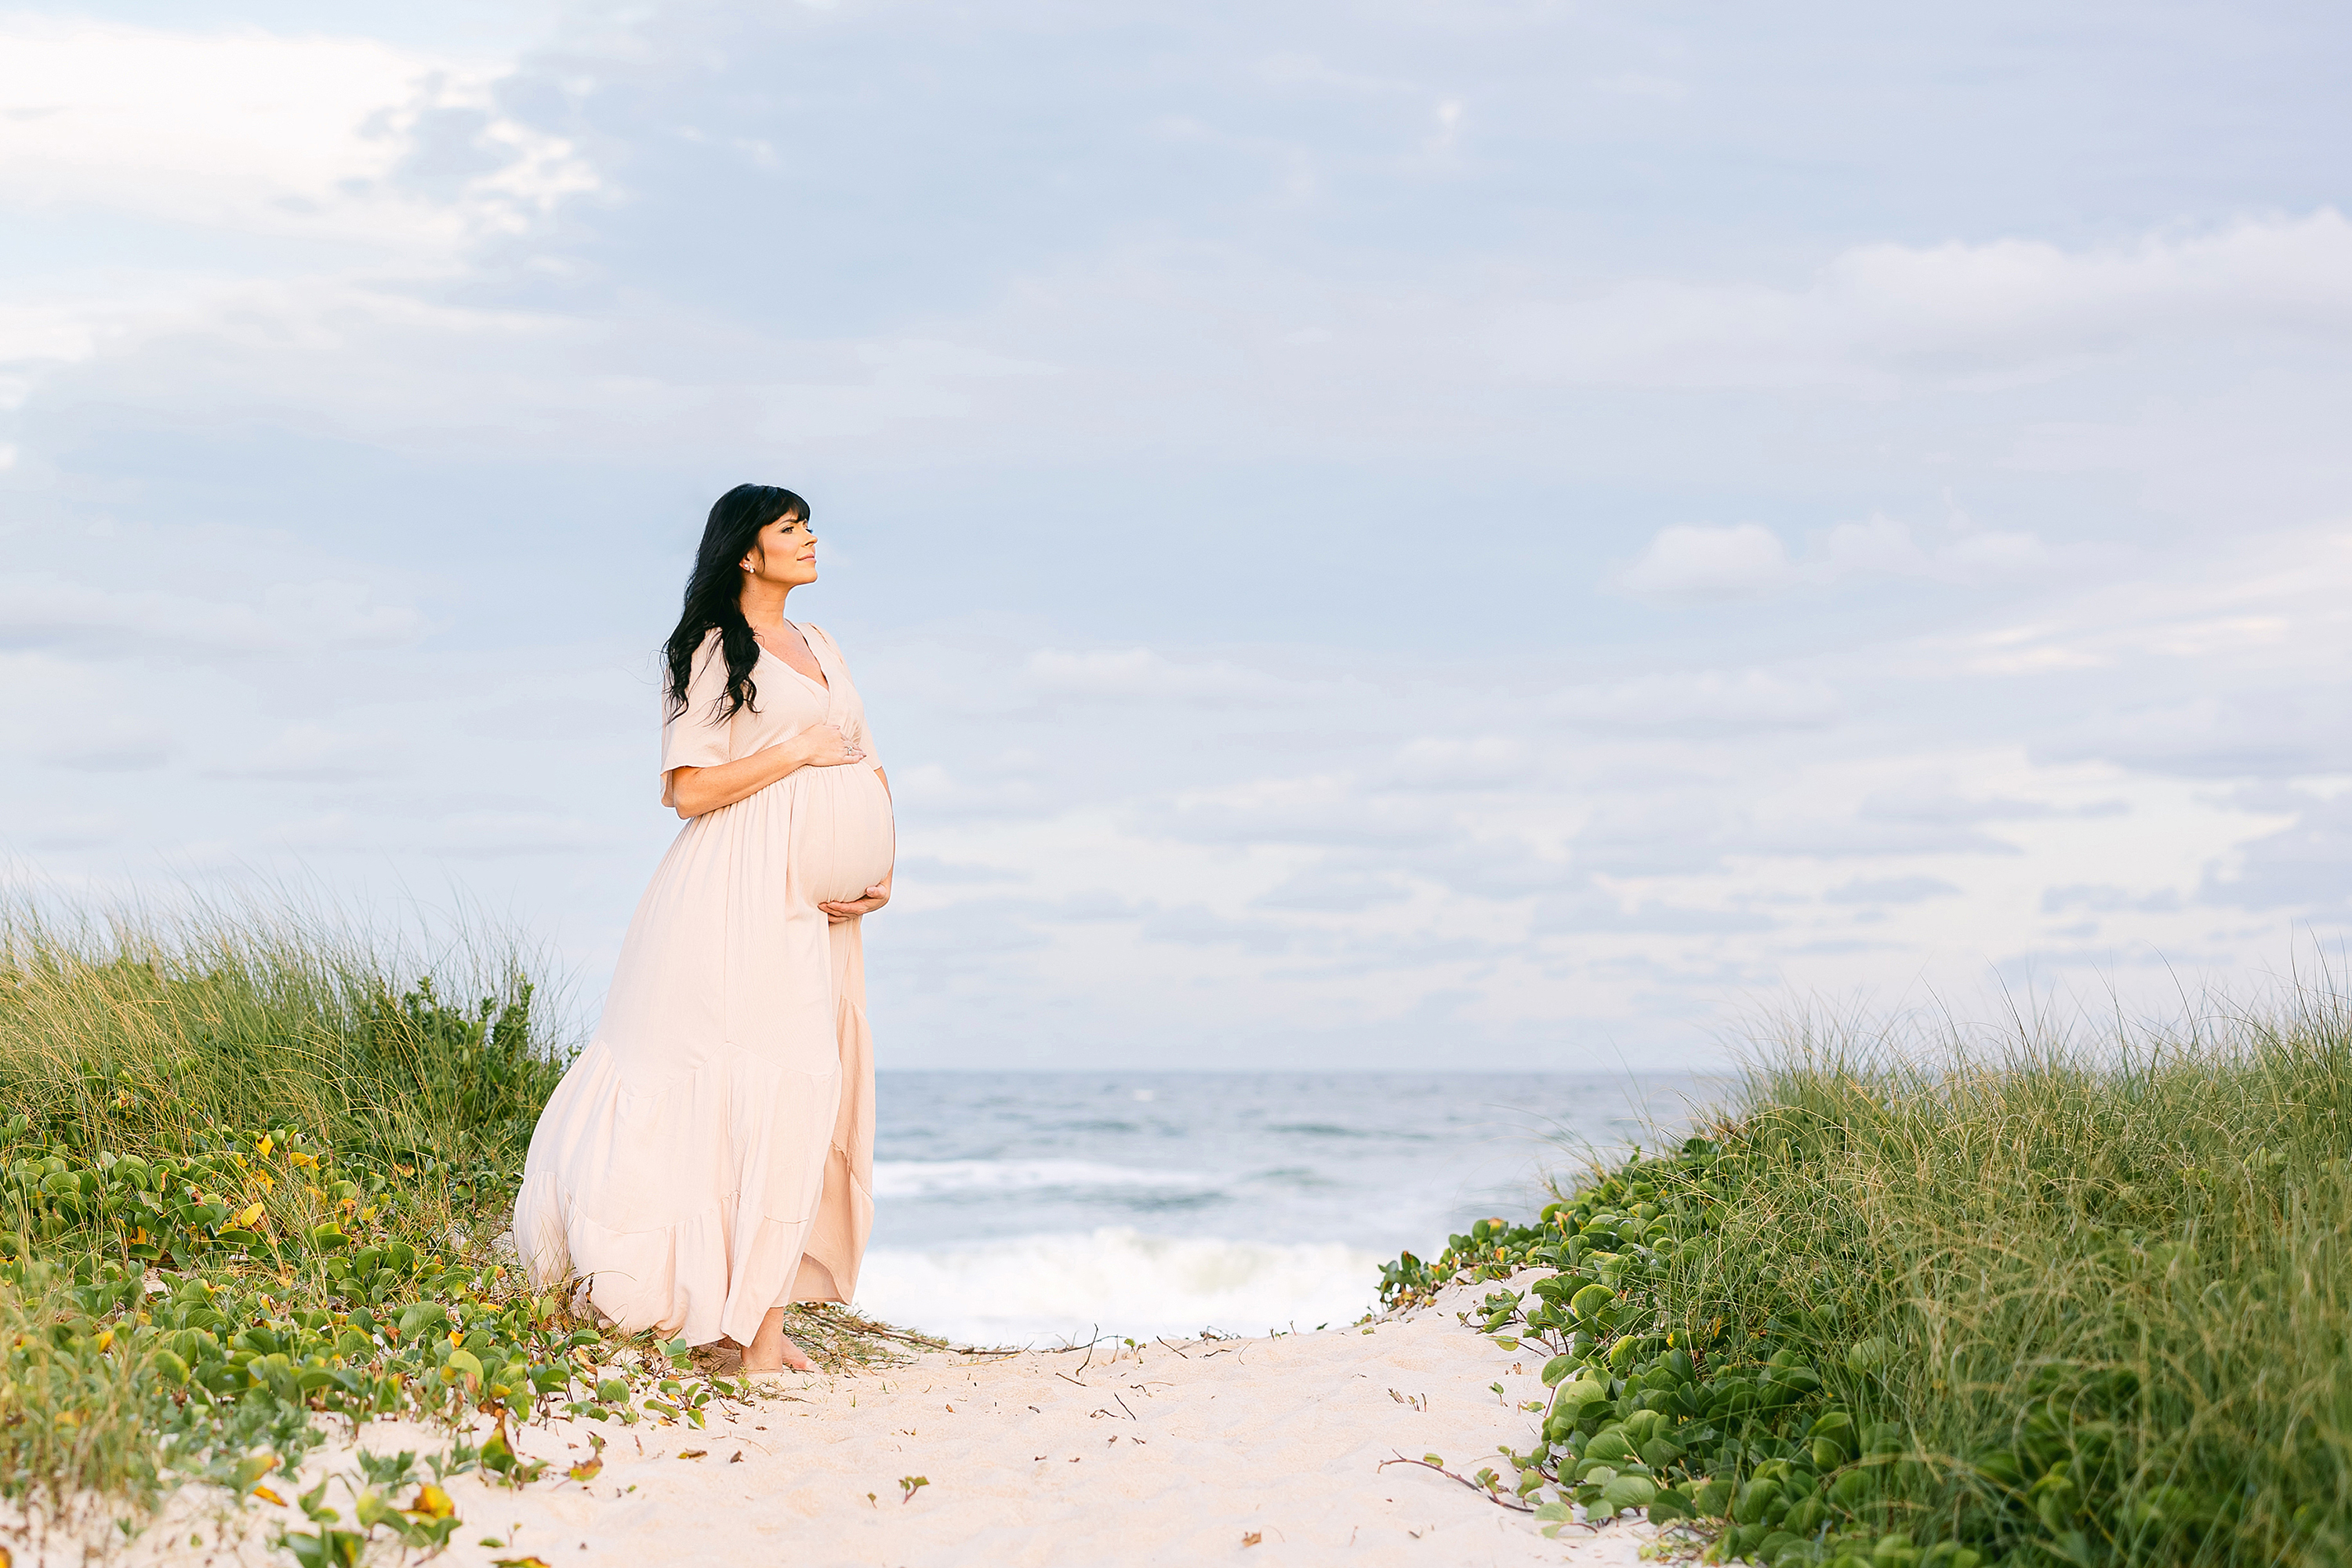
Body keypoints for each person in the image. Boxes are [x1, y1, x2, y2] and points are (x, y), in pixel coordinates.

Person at [514, 483, 894, 1376]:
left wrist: (881, 865)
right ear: (746, 552)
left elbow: (871, 759)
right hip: (733, 894)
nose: (809, 539)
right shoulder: (716, 649)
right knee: (756, 1079)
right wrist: (795, 753)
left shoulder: (825, 644)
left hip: (821, 909)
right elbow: (686, 789)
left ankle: (764, 1320)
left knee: (803, 1088)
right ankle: (733, 1323)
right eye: (790, 528)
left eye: (809, 525)